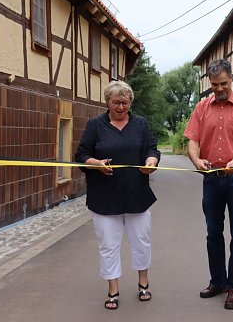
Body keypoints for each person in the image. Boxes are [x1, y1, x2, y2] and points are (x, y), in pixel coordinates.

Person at [75, 80, 160, 310]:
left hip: (137, 195)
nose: (121, 107)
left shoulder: (140, 124)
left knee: (141, 242)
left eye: (125, 102)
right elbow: (81, 154)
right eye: (116, 102)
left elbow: (152, 149)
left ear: (130, 102)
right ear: (107, 102)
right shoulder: (95, 125)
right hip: (104, 198)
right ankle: (113, 288)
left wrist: (152, 161)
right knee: (108, 245)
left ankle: (143, 282)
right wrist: (96, 163)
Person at [184, 59, 233, 310]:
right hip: (211, 179)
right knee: (213, 233)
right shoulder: (201, 108)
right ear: (210, 82)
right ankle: (217, 281)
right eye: (215, 84)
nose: (219, 89)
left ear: (232, 79)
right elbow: (192, 141)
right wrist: (196, 160)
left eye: (224, 83)